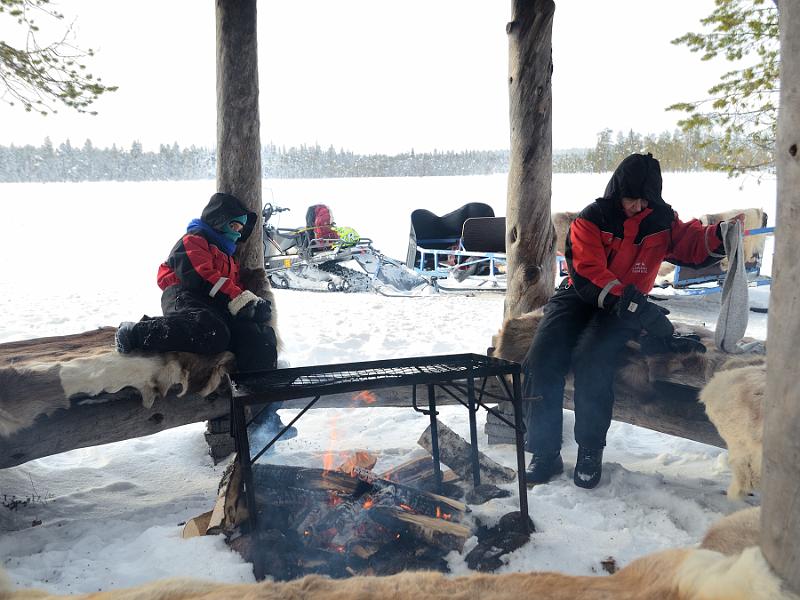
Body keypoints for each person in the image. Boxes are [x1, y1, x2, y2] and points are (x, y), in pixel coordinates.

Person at [522, 153, 729, 489]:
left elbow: (692, 243)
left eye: (644, 200)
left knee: (594, 360)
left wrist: (719, 235)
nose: (636, 206)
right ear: (616, 191)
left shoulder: (661, 220)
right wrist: (634, 306)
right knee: (541, 359)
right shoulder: (591, 219)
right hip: (582, 295)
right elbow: (588, 273)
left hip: (627, 305)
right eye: (630, 198)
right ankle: (544, 451)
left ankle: (590, 450)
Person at [115, 192, 292, 435]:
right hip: (184, 293)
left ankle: (264, 418)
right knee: (211, 331)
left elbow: (229, 288)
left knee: (258, 337)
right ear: (218, 220)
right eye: (234, 225)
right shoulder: (193, 240)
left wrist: (252, 308)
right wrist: (241, 300)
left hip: (214, 303)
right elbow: (202, 277)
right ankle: (136, 332)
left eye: (241, 228)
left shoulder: (228, 257)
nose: (238, 233)